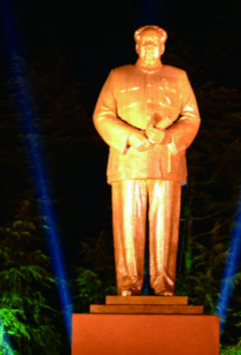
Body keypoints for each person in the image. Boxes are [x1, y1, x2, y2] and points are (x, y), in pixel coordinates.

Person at [92, 25, 201, 296]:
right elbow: (102, 115)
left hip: (167, 161)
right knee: (127, 225)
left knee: (165, 226)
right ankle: (128, 285)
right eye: (145, 42)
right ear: (136, 46)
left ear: (163, 47)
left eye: (155, 42)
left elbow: (191, 117)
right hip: (128, 160)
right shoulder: (118, 76)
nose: (150, 46)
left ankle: (164, 285)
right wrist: (130, 136)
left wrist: (169, 136)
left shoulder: (178, 77)